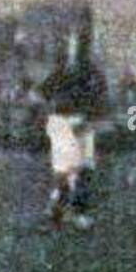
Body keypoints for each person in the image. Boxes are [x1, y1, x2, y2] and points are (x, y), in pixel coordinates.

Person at [40, 18, 109, 231]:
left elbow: (100, 98)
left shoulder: (91, 73)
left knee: (83, 170)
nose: (75, 48)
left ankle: (71, 212)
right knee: (67, 171)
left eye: (80, 44)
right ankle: (58, 212)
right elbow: (42, 94)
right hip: (63, 123)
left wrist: (92, 119)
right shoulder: (61, 73)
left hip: (83, 123)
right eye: (72, 43)